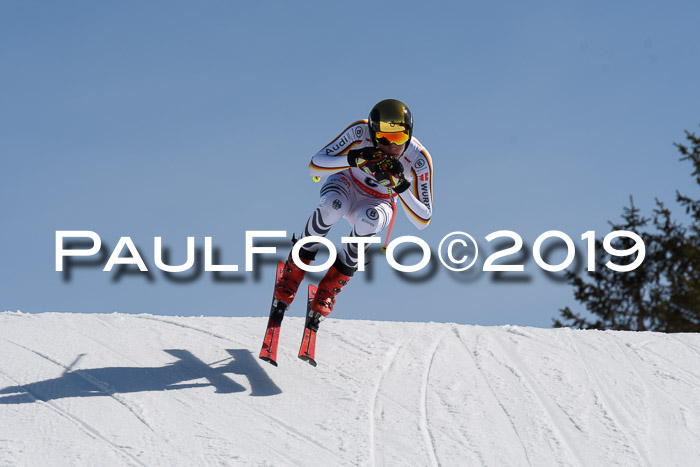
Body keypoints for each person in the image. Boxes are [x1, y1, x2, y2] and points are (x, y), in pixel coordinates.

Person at [275, 99, 434, 329]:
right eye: (382, 138)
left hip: (378, 201)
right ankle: (294, 270)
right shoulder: (361, 131)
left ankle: (329, 287)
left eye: (398, 138)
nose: (390, 146)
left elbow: (423, 219)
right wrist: (353, 159)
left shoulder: (418, 158)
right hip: (347, 184)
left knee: (368, 220)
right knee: (331, 206)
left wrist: (400, 187)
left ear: (409, 135)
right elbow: (315, 165)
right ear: (372, 132)